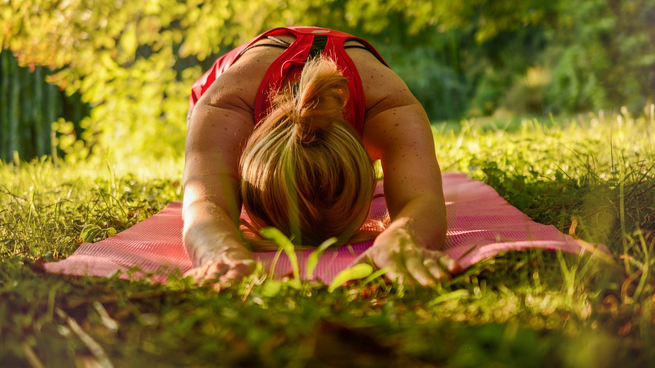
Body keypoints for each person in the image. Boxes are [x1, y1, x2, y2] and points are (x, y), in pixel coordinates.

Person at [182, 26, 461, 287]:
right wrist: (218, 250)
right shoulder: (226, 104)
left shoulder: (389, 106)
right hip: (232, 86)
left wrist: (405, 238)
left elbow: (423, 200)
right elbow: (202, 202)